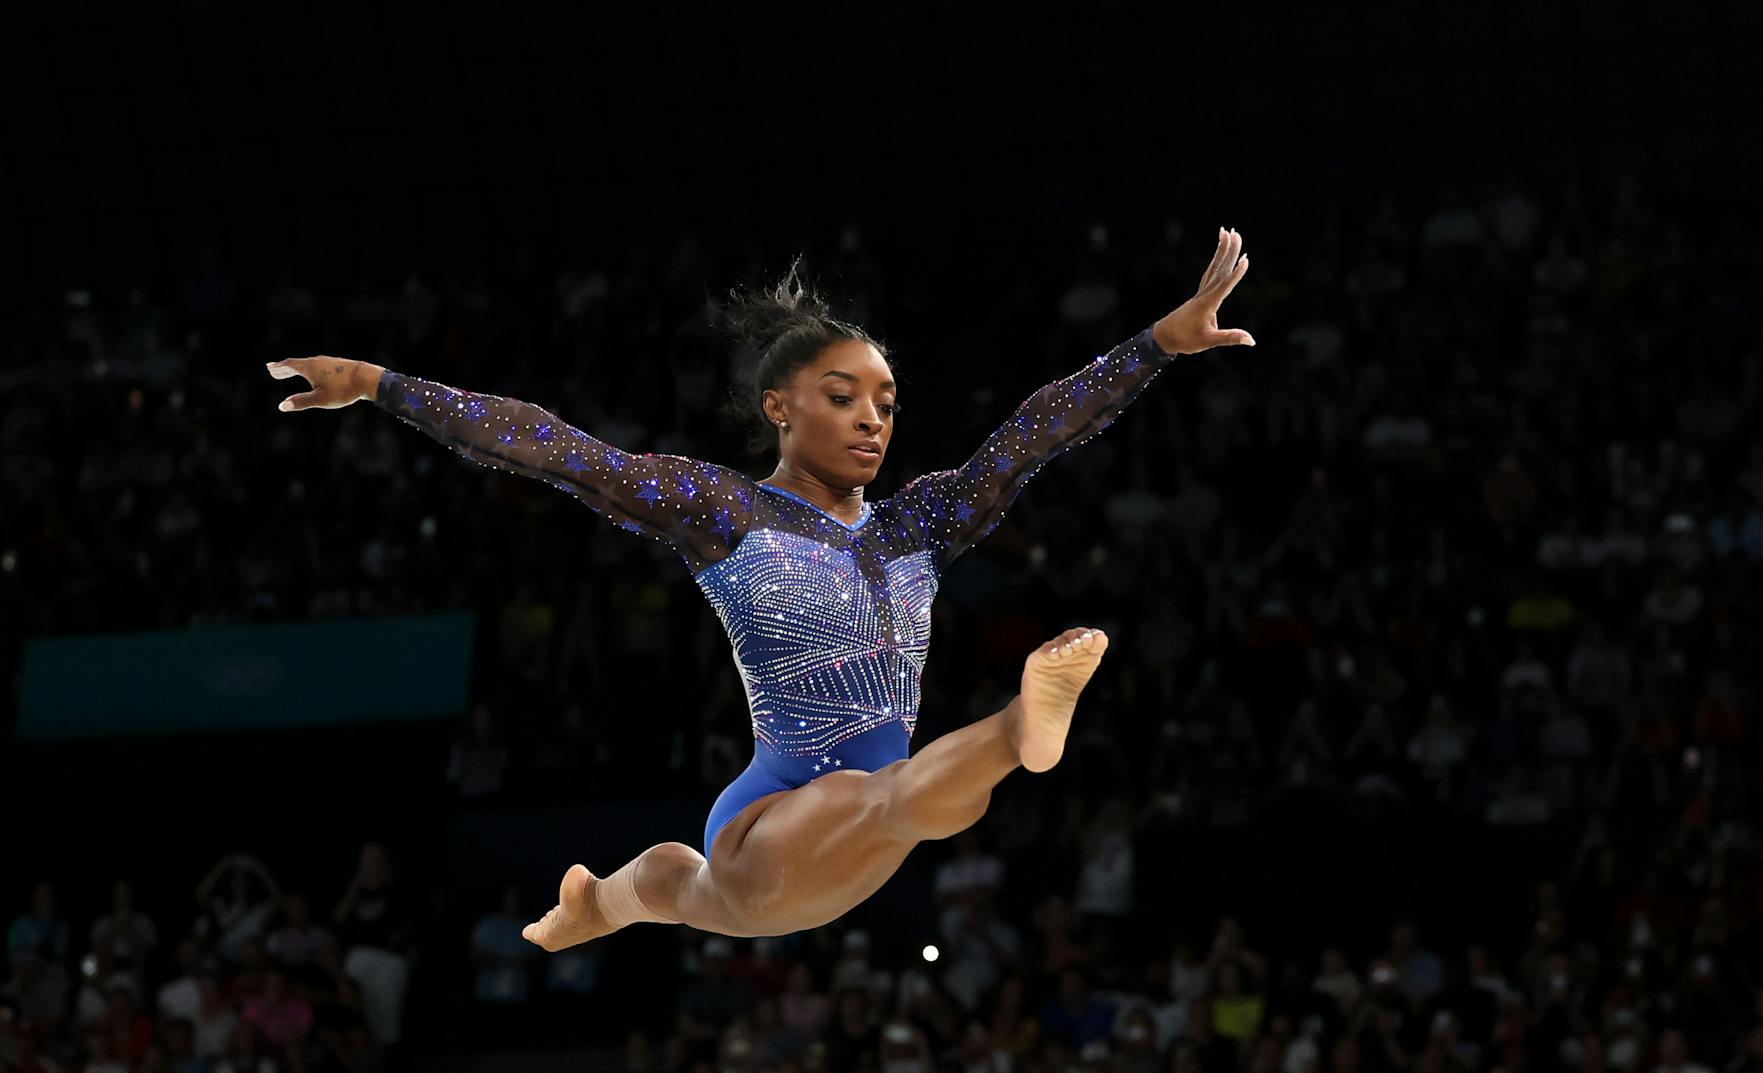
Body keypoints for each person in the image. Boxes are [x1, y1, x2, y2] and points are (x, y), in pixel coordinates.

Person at [269, 229, 1255, 943]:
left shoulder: (918, 524)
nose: (874, 421)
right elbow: (561, 452)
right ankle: (1014, 732)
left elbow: (1034, 435)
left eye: (886, 402)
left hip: (856, 820)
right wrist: (383, 384)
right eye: (843, 398)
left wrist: (1156, 345)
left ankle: (597, 904)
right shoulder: (723, 512)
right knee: (866, 811)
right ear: (779, 408)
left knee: (726, 864)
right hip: (770, 825)